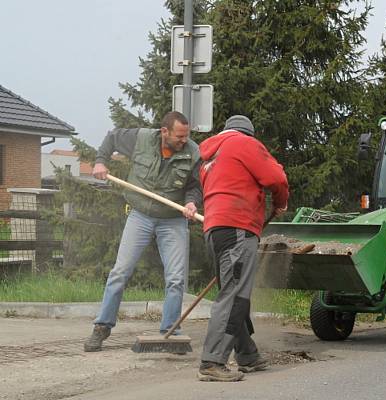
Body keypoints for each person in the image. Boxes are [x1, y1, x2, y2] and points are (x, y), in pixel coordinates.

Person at [185, 115, 289, 382]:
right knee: (235, 296)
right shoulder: (244, 143)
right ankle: (212, 361)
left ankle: (247, 356)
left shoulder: (210, 153)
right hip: (238, 227)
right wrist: (280, 202)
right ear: (248, 133)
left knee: (233, 290)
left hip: (214, 228)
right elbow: (276, 177)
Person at [84, 111, 200, 352]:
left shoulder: (192, 152)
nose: (183, 140)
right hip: (140, 216)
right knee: (120, 272)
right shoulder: (141, 138)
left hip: (173, 220)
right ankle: (101, 328)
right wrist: (100, 161)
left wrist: (191, 203)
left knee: (176, 278)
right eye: (179, 136)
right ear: (164, 131)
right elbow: (112, 137)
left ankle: (170, 331)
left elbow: (194, 186)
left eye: (186, 136)